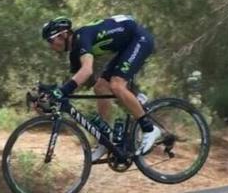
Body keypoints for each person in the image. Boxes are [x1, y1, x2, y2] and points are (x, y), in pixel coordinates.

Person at [41, 14, 160, 160]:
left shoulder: (81, 37)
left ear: (64, 34)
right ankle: (106, 140)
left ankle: (149, 129)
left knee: (117, 85)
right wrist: (50, 93)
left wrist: (62, 91)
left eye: (50, 40)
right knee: (100, 87)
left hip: (139, 38)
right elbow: (76, 81)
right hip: (126, 45)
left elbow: (87, 70)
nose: (50, 45)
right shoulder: (74, 53)